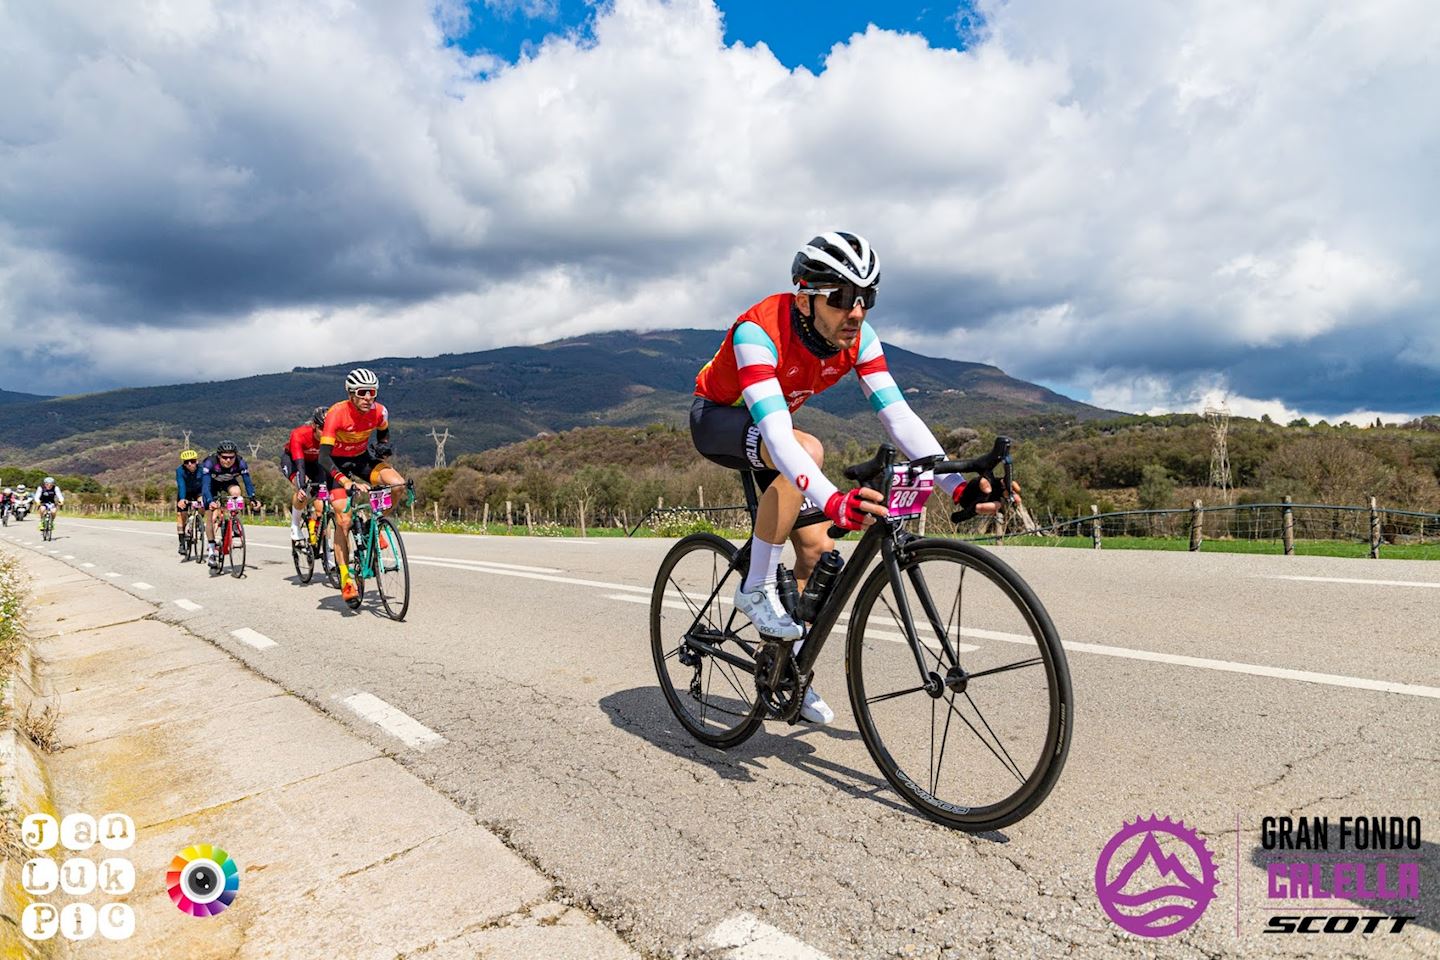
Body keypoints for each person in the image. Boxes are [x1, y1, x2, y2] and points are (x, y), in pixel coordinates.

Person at [691, 231, 1016, 724]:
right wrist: (837, 501)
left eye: (867, 298)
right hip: (719, 420)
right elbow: (779, 438)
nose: (857, 311)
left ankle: (785, 672)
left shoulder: (859, 339)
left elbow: (899, 417)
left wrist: (958, 486)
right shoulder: (757, 332)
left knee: (821, 552)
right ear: (805, 298)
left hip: (775, 437)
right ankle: (754, 586)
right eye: (841, 298)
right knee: (807, 447)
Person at [317, 368, 407, 608]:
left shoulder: (379, 411)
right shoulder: (336, 415)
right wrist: (345, 481)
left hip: (362, 459)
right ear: (350, 394)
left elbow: (383, 435)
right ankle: (346, 577)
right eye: (362, 392)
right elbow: (323, 458)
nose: (369, 397)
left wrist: (383, 447)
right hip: (336, 465)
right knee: (344, 521)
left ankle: (373, 525)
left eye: (373, 392)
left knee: (398, 485)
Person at [200, 441, 258, 570]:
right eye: (225, 457)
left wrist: (253, 497)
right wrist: (210, 501)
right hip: (211, 485)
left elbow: (247, 481)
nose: (228, 460)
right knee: (210, 517)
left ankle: (234, 520)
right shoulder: (210, 463)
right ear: (219, 456)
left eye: (231, 457)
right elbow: (205, 486)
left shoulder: (240, 462)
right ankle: (211, 551)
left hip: (228, 482)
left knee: (236, 493)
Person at [281, 408, 328, 549]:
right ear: (314, 425)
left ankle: (326, 551)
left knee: (323, 508)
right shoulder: (299, 434)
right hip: (294, 461)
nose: (326, 433)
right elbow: (300, 465)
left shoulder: (333, 437)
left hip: (316, 463)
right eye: (322, 429)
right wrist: (301, 486)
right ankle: (295, 525)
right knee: (303, 489)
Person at [174, 449, 203, 554]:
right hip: (185, 492)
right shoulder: (180, 470)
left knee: (202, 503)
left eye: (192, 461)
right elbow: (181, 484)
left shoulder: (202, 469)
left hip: (198, 492)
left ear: (197, 461)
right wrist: (182, 499)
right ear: (184, 463)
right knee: (181, 515)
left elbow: (206, 484)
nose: (190, 464)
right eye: (186, 462)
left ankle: (199, 522)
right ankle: (181, 543)